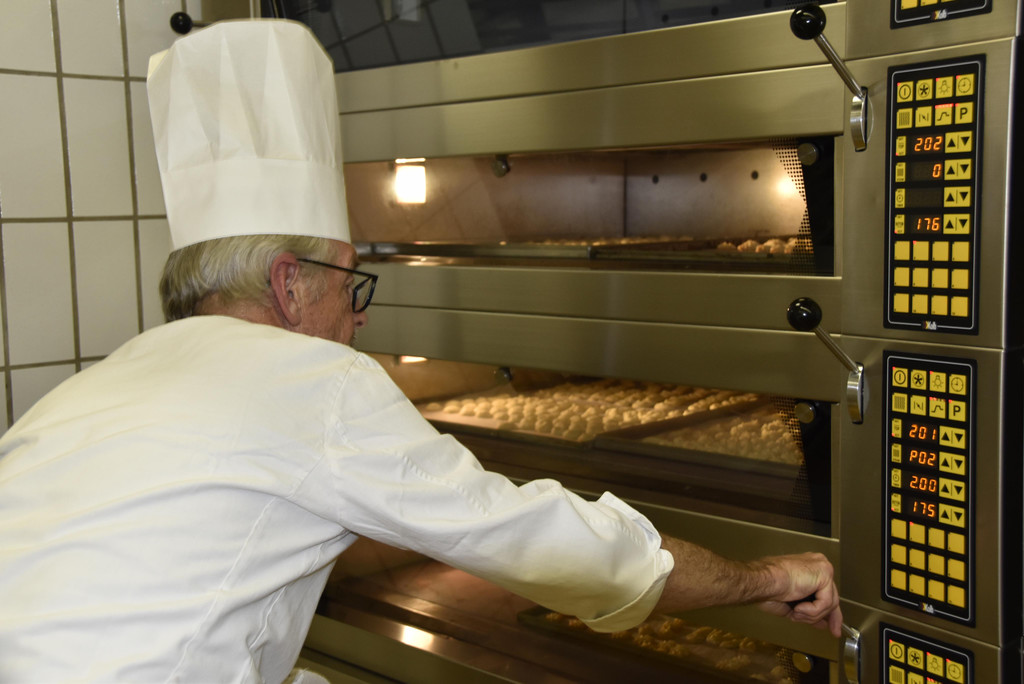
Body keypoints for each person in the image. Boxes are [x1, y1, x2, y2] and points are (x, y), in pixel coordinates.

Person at [0, 19, 841, 684]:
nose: (359, 318)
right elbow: (556, 547)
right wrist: (766, 578)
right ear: (289, 284)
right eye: (350, 281)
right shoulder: (308, 379)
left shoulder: (95, 385)